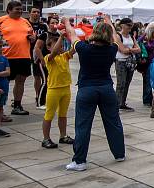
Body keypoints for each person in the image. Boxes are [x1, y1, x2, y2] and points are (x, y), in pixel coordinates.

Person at [61, 16, 125, 172]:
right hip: (106, 89)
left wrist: (66, 22)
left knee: (83, 125)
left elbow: (72, 33)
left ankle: (80, 161)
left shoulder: (83, 48)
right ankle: (119, 153)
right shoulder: (112, 49)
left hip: (87, 89)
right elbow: (116, 37)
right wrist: (109, 22)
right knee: (113, 122)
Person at [0, 1, 35, 115]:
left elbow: (32, 35)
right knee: (3, 82)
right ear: (9, 10)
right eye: (17, 9)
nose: (20, 11)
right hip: (6, 56)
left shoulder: (25, 21)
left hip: (24, 56)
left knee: (20, 81)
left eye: (21, 9)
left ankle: (17, 105)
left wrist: (32, 38)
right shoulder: (0, 20)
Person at [41, 31, 75, 149]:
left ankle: (63, 136)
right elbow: (54, 52)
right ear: (48, 47)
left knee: (63, 114)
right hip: (54, 90)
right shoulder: (48, 58)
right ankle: (46, 139)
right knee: (49, 115)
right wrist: (61, 37)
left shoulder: (64, 56)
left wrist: (73, 37)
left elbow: (73, 50)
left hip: (66, 88)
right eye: (57, 45)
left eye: (61, 46)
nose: (60, 48)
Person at [114, 18, 141, 111]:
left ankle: (122, 102)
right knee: (120, 84)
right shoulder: (118, 36)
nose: (130, 27)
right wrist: (132, 50)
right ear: (122, 25)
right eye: (128, 25)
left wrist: (129, 50)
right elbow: (123, 50)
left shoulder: (131, 36)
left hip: (130, 62)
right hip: (121, 61)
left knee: (127, 83)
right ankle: (116, 105)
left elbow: (139, 49)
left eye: (131, 25)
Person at [28, 8, 49, 109]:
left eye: (38, 12)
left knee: (42, 76)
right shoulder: (26, 24)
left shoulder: (43, 26)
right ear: (30, 13)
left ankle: (40, 96)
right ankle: (38, 95)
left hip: (41, 53)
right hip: (27, 52)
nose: (36, 14)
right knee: (34, 77)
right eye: (34, 12)